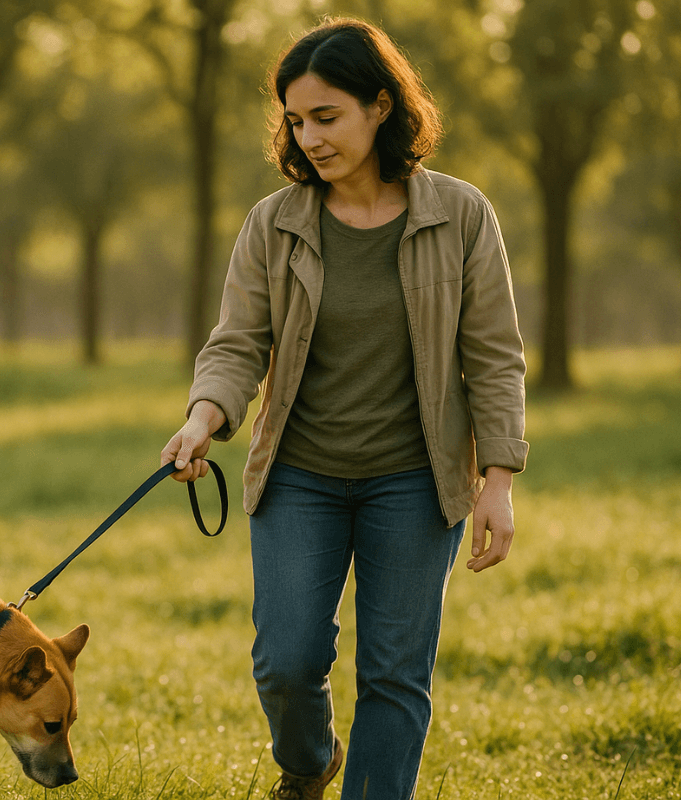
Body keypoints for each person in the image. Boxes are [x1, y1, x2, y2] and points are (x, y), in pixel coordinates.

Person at [159, 17, 527, 800]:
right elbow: (236, 345)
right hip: (300, 476)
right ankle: (309, 759)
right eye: (296, 120)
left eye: (327, 116)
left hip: (415, 483)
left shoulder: (460, 217)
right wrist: (203, 417)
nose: (310, 136)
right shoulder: (274, 224)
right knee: (286, 660)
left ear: (382, 106)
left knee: (395, 675)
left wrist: (497, 480)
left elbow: (493, 355)